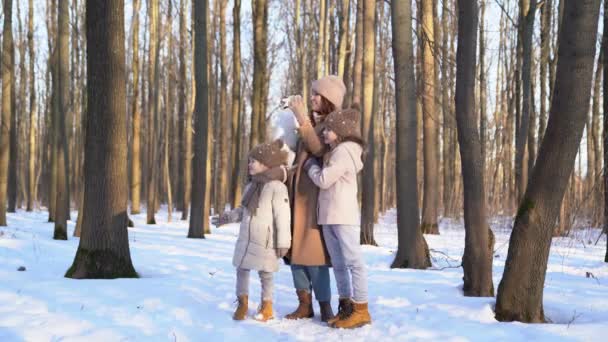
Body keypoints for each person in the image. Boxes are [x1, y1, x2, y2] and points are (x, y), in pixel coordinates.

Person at [284, 75, 347, 322]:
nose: (311, 98)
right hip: (296, 196)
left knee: (314, 254)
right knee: (294, 253)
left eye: (316, 94)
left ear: (329, 99)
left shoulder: (332, 125)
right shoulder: (311, 122)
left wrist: (302, 118)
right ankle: (304, 304)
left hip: (313, 200)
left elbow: (319, 150)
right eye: (311, 93)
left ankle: (325, 306)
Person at [303, 108, 371, 329]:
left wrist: (311, 166)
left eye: (329, 130)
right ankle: (346, 306)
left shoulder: (345, 152)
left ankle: (361, 309)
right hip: (330, 215)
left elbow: (324, 180)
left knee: (353, 262)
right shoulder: (335, 151)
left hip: (343, 215)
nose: (324, 133)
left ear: (340, 132)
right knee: (339, 264)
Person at [228, 140, 292, 322]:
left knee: (266, 274)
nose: (249, 164)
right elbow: (243, 209)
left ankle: (267, 305)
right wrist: (229, 217)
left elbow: (283, 217)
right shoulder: (251, 186)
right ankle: (242, 303)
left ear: (265, 164)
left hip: (265, 240)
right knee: (241, 269)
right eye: (249, 161)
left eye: (253, 161)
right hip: (246, 237)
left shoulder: (277, 187)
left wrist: (283, 242)